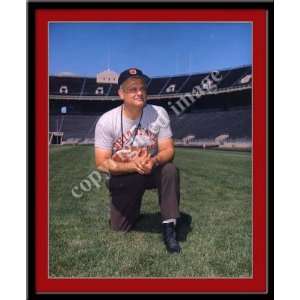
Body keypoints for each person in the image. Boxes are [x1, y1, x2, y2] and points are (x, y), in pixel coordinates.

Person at [94, 67, 181, 253]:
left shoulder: (159, 113)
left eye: (142, 88)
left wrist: (154, 161)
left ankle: (169, 227)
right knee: (119, 228)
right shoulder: (107, 120)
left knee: (169, 170)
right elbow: (102, 162)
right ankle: (132, 211)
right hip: (125, 174)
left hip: (151, 169)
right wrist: (132, 165)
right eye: (133, 89)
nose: (140, 92)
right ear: (121, 93)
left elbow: (168, 149)